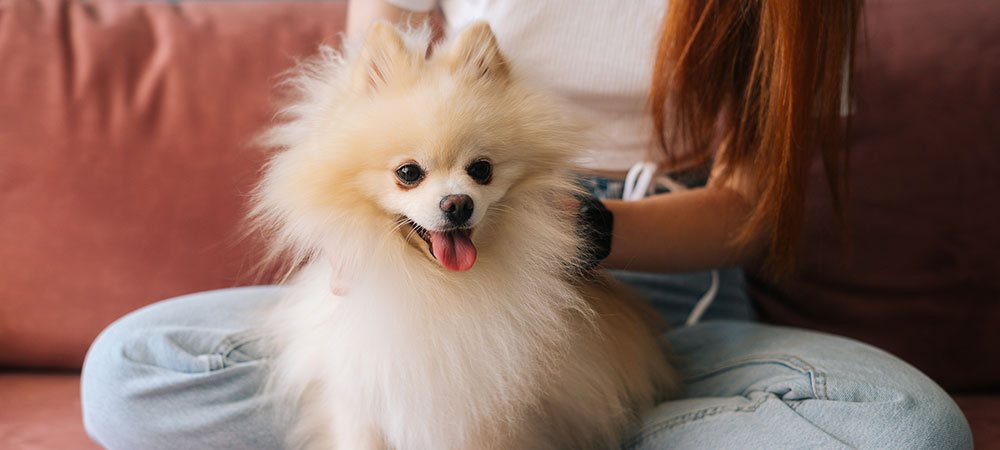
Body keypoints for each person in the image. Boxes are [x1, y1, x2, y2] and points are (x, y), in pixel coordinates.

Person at [81, 1, 973, 449]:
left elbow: (747, 212)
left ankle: (581, 410)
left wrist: (581, 232)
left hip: (654, 282)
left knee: (904, 428)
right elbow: (365, 103)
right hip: (421, 256)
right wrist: (352, 241)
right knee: (129, 374)